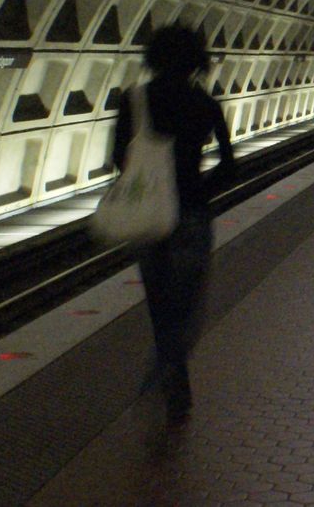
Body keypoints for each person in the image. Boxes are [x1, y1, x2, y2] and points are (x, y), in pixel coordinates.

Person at [112, 25, 235, 423]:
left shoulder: (134, 100)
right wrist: (198, 189)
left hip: (149, 216)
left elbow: (119, 159)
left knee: (160, 304)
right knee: (187, 306)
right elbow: (229, 165)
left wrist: (149, 182)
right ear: (197, 59)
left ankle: (170, 377)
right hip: (191, 216)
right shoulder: (204, 103)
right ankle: (170, 376)